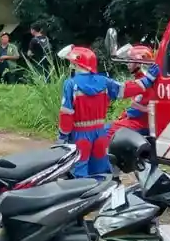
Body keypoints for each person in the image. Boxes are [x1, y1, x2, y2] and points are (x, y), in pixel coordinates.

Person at [57, 45, 155, 179]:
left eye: (72, 63)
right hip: (100, 134)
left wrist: (62, 137)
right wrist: (148, 79)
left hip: (80, 135)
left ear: (76, 64)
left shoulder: (71, 84)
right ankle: (104, 195)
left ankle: (86, 197)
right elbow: (126, 89)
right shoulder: (104, 81)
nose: (71, 66)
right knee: (101, 170)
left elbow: (66, 114)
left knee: (79, 171)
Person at [105, 44, 160, 141]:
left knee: (106, 132)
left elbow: (138, 110)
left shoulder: (147, 81)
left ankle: (104, 156)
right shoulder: (145, 78)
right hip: (136, 121)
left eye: (130, 60)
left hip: (140, 123)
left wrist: (135, 107)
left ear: (139, 62)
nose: (127, 63)